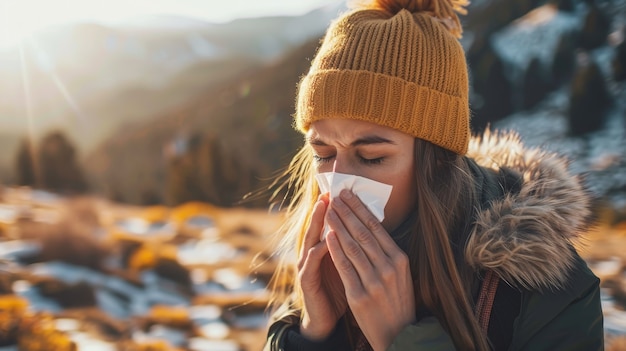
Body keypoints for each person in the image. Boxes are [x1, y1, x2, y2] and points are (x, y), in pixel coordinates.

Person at [263, 0, 604, 350]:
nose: (338, 185)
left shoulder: (545, 291)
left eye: (371, 157)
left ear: (436, 161)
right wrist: (313, 333)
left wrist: (402, 338)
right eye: (324, 153)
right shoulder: (328, 262)